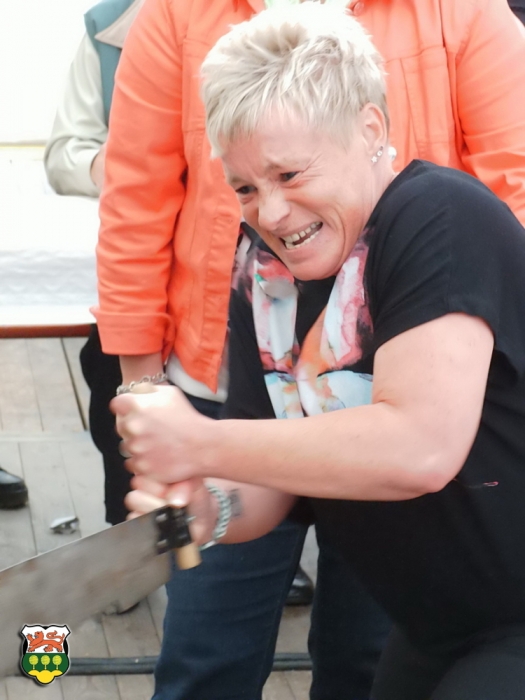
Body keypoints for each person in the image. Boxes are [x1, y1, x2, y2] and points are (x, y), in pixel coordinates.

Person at [97, 0, 525, 697]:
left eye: (290, 175)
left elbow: (418, 447)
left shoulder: (440, 216)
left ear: (370, 130)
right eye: (244, 187)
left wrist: (200, 443)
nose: (268, 211)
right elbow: (273, 480)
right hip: (437, 624)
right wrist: (211, 509)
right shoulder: (263, 273)